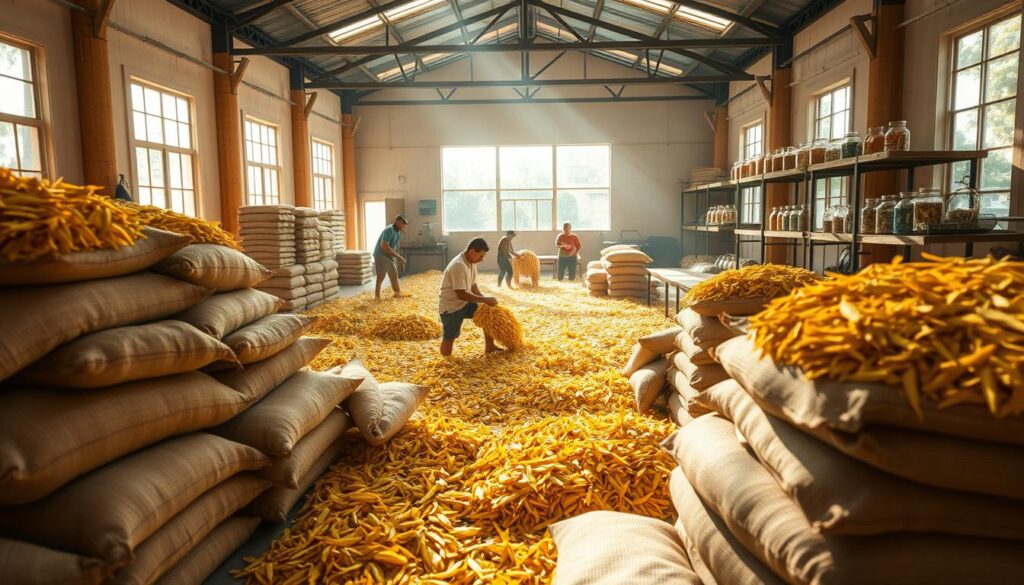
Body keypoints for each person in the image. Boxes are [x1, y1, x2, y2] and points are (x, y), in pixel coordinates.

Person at [438, 238, 500, 356]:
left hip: (464, 303)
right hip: (451, 307)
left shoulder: (471, 262)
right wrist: (484, 299)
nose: (482, 259)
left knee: (487, 314)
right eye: (481, 256)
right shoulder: (458, 266)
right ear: (472, 251)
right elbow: (461, 294)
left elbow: (473, 285)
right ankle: (446, 362)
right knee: (450, 336)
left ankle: (490, 347)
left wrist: (484, 301)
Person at [374, 215, 408, 299]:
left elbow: (393, 246)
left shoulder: (397, 231)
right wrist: (398, 257)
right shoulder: (389, 230)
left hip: (387, 254)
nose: (404, 226)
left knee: (383, 275)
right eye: (403, 224)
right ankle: (397, 293)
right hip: (380, 254)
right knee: (390, 272)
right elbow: (384, 246)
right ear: (398, 222)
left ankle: (378, 295)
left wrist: (397, 256)